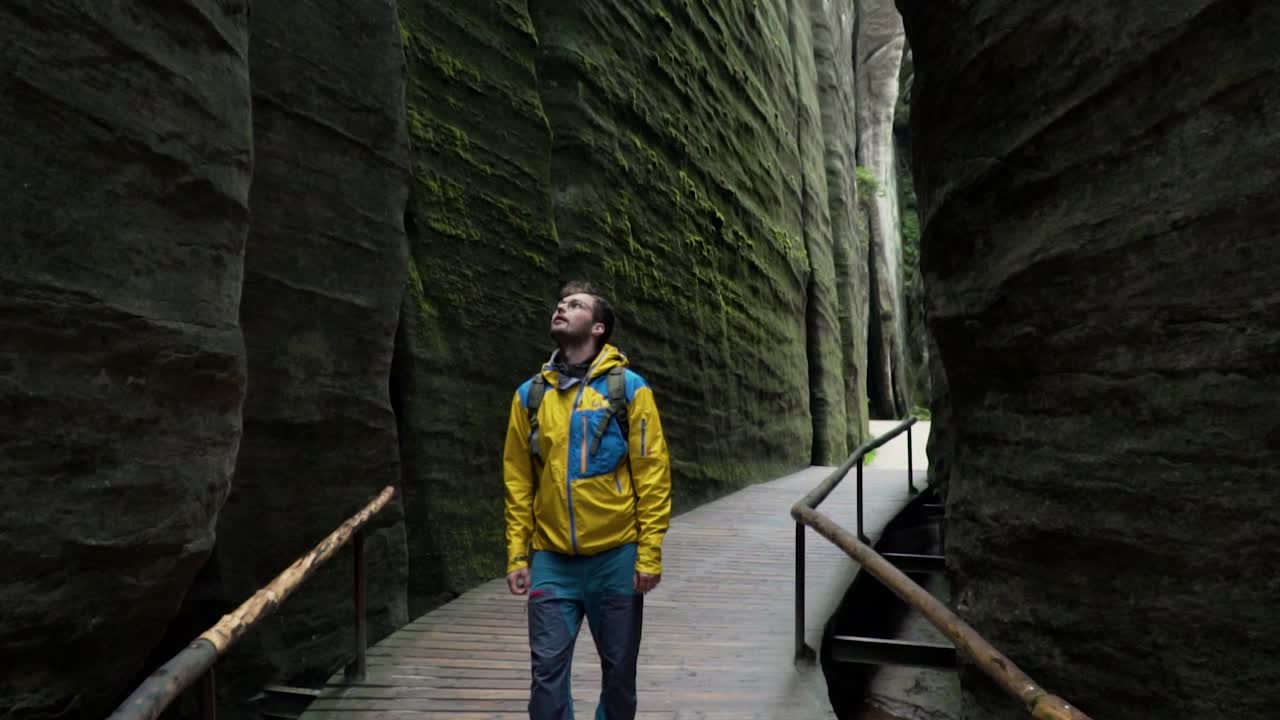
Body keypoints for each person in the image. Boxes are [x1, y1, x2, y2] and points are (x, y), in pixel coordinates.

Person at [503, 281, 672, 720]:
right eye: (560, 303)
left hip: (615, 555)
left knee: (619, 676)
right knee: (545, 676)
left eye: (575, 305)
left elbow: (652, 474)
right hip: (551, 557)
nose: (561, 307)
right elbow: (519, 481)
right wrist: (517, 553)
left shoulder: (628, 390)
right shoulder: (530, 396)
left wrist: (649, 553)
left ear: (598, 328)